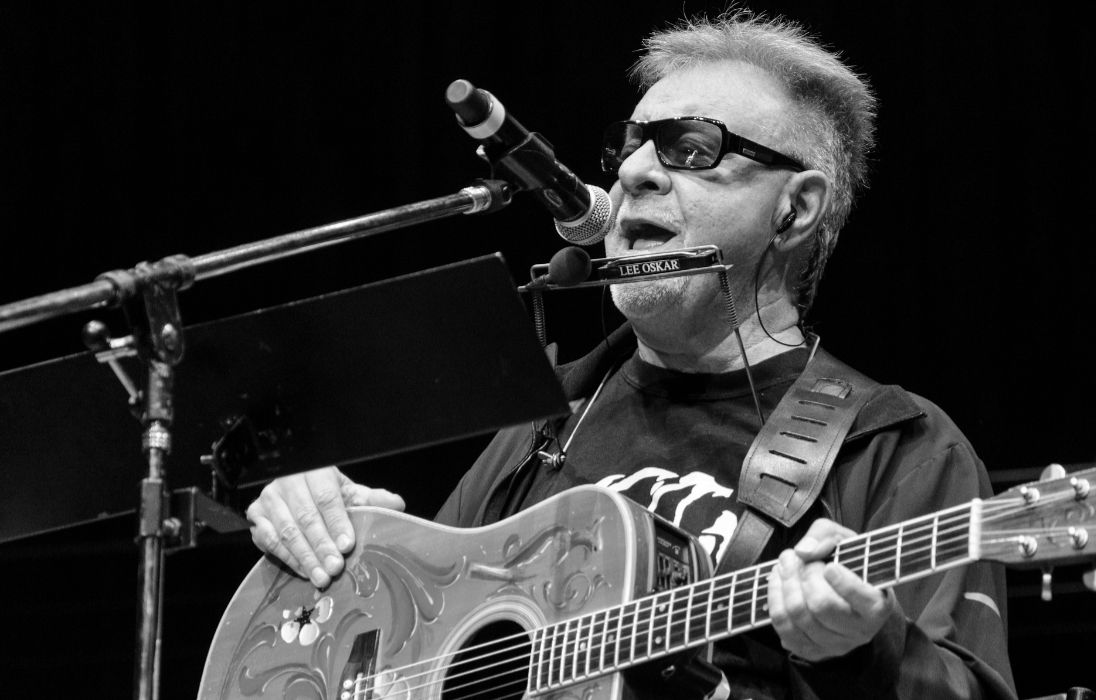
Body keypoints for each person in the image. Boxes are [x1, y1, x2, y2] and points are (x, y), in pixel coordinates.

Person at [246, 11, 1017, 699]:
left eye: (691, 148)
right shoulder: (550, 421)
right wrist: (337, 540)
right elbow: (414, 649)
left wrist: (864, 651)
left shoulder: (896, 446)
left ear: (795, 208)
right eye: (631, 145)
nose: (632, 172)